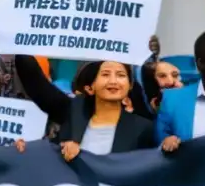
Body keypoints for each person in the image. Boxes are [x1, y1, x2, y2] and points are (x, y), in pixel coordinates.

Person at [13, 55, 155, 159]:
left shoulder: (143, 128)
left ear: (129, 86)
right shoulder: (71, 111)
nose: (114, 81)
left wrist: (171, 145)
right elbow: (32, 78)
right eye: (105, 74)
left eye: (121, 75)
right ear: (89, 88)